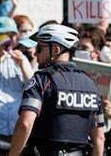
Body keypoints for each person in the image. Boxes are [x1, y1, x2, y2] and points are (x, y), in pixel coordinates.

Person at [9, 24, 105, 156]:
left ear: (56, 50)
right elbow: (99, 139)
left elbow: (25, 124)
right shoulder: (91, 84)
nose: (35, 53)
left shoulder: (42, 79)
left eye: (39, 48)